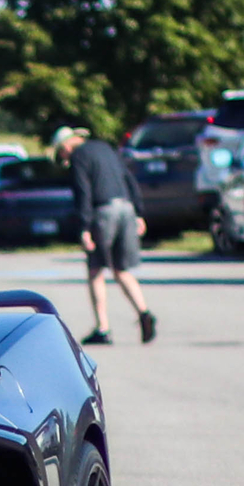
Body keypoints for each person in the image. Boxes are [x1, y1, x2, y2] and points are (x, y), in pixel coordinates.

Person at [55, 126, 157, 345]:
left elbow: (83, 191)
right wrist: (138, 212)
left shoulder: (78, 157)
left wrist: (84, 227)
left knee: (95, 270)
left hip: (103, 213)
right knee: (122, 269)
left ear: (65, 145)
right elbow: (129, 179)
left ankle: (103, 328)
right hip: (126, 208)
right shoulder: (105, 148)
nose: (62, 157)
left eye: (60, 153)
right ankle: (144, 312)